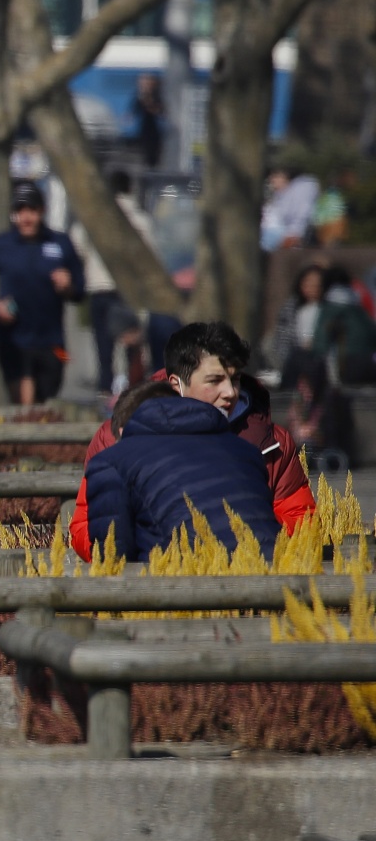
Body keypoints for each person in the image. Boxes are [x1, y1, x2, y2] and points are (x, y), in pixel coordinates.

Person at [67, 322, 314, 560]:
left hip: (254, 576)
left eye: (235, 378)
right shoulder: (118, 433)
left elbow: (303, 523)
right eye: (214, 381)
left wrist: (234, 532)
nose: (230, 392)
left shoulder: (269, 441)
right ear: (177, 385)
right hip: (160, 582)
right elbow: (87, 530)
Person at [84, 387, 279, 565]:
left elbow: (112, 559)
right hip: (277, 577)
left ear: (122, 432)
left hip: (188, 586)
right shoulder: (245, 450)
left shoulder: (112, 461)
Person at [0, 181, 84, 404]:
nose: (26, 217)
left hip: (51, 339)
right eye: (20, 211)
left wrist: (67, 286)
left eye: (32, 210)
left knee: (47, 396)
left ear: (42, 211)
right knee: (23, 402)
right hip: (13, 338)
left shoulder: (61, 243)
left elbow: (80, 291)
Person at [72, 171, 157, 394]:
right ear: (130, 189)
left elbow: (77, 246)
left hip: (100, 288)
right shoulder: (140, 221)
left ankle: (105, 389)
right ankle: (134, 390)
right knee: (132, 345)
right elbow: (150, 257)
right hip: (130, 292)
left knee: (104, 346)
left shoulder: (94, 221)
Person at [261, 167, 319, 251]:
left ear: (285, 177)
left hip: (286, 235)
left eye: (276, 177)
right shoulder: (278, 196)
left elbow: (302, 214)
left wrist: (294, 234)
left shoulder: (301, 189)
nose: (271, 180)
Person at [129, 73, 166, 169]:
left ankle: (153, 165)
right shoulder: (140, 96)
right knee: (145, 149)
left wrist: (150, 104)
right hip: (145, 128)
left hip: (155, 128)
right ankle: (147, 165)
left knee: (153, 151)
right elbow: (135, 109)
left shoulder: (156, 96)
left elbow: (159, 110)